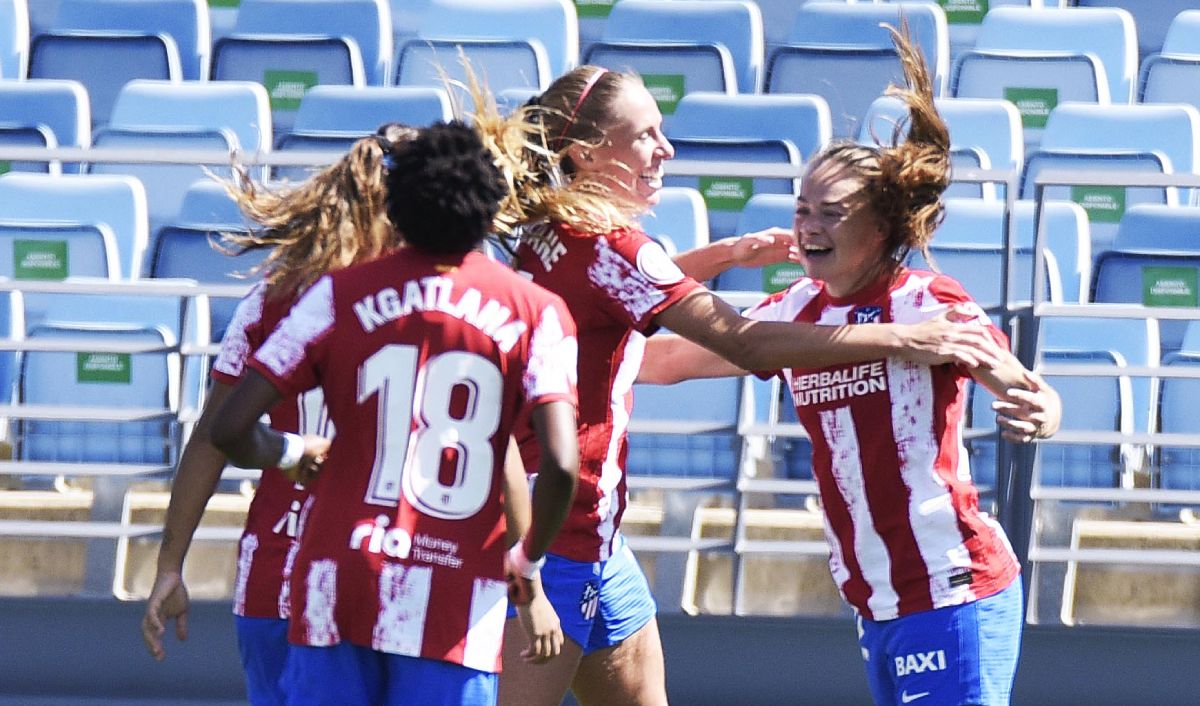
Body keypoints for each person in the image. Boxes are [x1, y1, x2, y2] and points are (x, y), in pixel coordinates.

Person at [462, 58, 1021, 706]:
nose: (664, 149)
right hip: (553, 530)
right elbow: (744, 344)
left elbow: (617, 294)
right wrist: (905, 341)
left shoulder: (540, 232)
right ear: (586, 155)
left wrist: (725, 256)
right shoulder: (617, 246)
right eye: (645, 134)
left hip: (588, 536)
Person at [636, 26, 1063, 706]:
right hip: (876, 602)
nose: (809, 227)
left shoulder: (929, 301)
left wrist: (1039, 409)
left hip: (953, 590)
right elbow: (662, 363)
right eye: (803, 209)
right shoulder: (795, 308)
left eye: (832, 214)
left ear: (882, 228)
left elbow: (1018, 383)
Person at [209, 121, 580, 706]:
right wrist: (529, 565)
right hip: (457, 590)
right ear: (489, 211)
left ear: (399, 209)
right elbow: (560, 464)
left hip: (337, 577)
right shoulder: (539, 311)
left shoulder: (336, 295)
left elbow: (227, 427)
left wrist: (290, 451)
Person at [140, 123, 418, 705]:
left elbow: (213, 437)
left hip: (282, 573)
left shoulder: (274, 295)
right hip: (394, 577)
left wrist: (170, 563)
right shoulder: (445, 303)